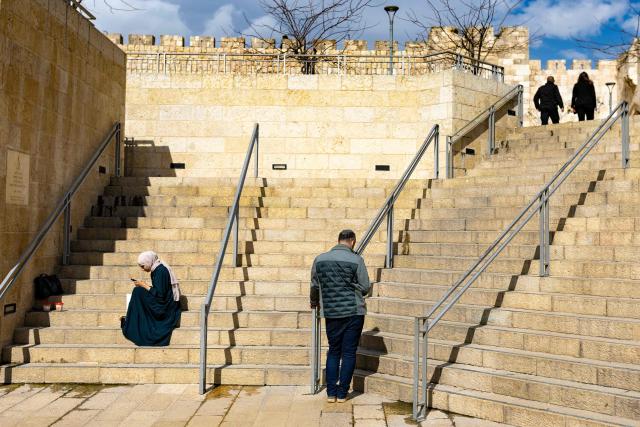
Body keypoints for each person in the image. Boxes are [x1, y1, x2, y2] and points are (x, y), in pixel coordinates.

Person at [310, 230, 371, 403]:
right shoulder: (357, 260)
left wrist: (314, 302)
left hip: (331, 312)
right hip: (353, 311)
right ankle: (343, 393)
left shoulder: (319, 259)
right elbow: (365, 287)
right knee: (349, 352)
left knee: (334, 350)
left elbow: (314, 285)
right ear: (352, 241)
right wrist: (353, 286)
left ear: (338, 240)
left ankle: (331, 393)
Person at [121, 251, 181, 346]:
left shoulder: (160, 271)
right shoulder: (157, 269)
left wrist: (144, 285)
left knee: (138, 292)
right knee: (139, 291)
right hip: (164, 302)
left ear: (149, 262)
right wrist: (144, 286)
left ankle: (132, 322)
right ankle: (132, 319)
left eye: (143, 266)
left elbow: (160, 296)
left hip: (165, 308)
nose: (142, 269)